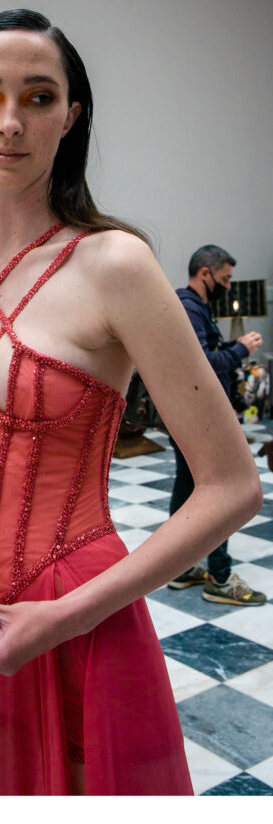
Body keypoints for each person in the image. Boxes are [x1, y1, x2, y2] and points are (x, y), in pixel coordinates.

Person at [0, 9, 262, 796]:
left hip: (74, 614)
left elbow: (232, 486)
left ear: (71, 116)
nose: (10, 121)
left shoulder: (114, 264)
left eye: (39, 97)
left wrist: (65, 616)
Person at [167, 245, 265, 605]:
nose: (228, 287)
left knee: (187, 489)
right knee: (223, 492)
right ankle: (220, 578)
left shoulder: (195, 307)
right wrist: (241, 351)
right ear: (205, 273)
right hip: (199, 418)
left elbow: (204, 351)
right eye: (224, 279)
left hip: (191, 415)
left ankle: (181, 567)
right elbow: (202, 364)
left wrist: (233, 346)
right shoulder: (189, 307)